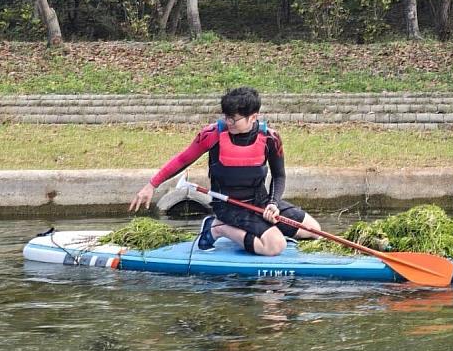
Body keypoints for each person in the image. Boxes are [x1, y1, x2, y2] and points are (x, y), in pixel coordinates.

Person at [129, 86, 321, 256]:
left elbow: (279, 175)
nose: (228, 122)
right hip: (228, 206)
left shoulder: (271, 138)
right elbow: (182, 159)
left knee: (313, 230)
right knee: (274, 246)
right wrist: (152, 184)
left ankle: (261, 228)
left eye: (234, 119)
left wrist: (273, 204)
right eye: (226, 116)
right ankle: (217, 228)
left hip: (259, 202)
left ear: (253, 116)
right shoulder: (211, 135)